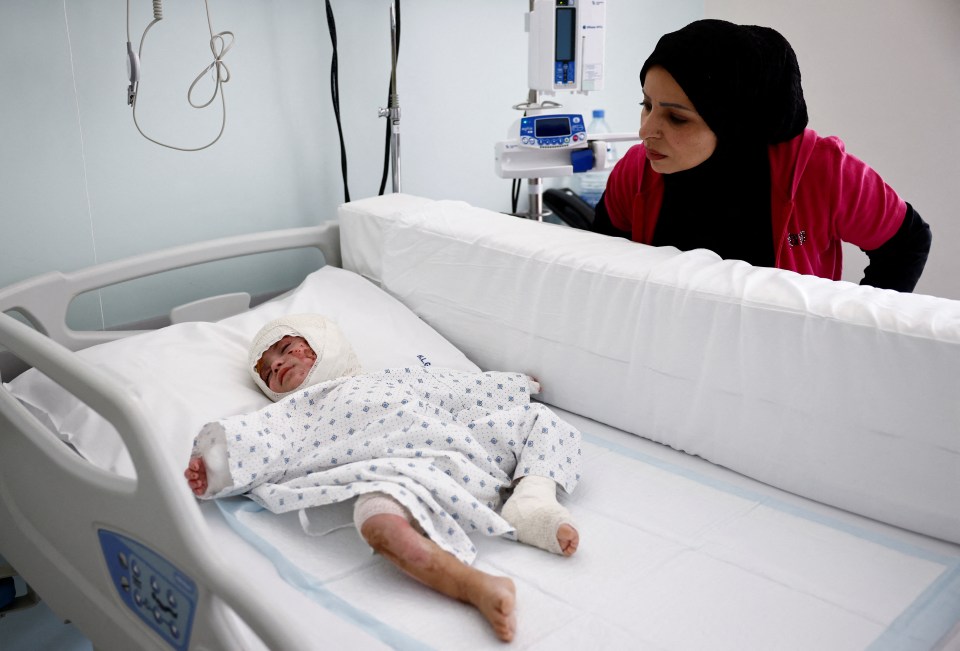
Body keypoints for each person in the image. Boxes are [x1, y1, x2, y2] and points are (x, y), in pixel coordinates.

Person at [183, 314, 582, 642]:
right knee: (378, 520)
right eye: (268, 371)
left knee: (539, 420)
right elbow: (261, 437)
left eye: (287, 349)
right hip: (396, 469)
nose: (279, 365)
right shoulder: (297, 411)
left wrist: (511, 385)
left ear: (324, 344)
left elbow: (457, 389)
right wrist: (215, 463)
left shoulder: (392, 376)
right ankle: (470, 584)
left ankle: (532, 496)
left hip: (463, 447)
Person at [592, 19, 931, 292]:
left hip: (786, 356)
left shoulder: (819, 170)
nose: (645, 131)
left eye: (677, 117)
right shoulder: (638, 171)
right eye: (646, 105)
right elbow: (603, 265)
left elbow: (906, 242)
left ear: (733, 123)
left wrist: (856, 331)